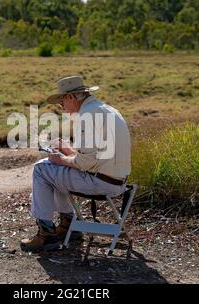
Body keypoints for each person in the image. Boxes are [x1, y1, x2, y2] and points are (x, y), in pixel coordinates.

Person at [20, 76, 132, 252]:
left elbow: (86, 163)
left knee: (41, 169)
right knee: (54, 169)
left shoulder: (87, 115)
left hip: (101, 183)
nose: (61, 106)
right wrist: (68, 152)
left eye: (62, 100)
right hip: (116, 181)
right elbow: (93, 159)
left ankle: (47, 234)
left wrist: (60, 159)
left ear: (71, 97)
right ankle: (68, 227)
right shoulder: (106, 110)